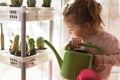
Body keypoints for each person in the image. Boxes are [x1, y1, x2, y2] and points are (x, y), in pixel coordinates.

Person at [62, 0, 120, 80]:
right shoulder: (78, 36)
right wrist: (70, 46)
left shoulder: (107, 40)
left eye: (71, 29)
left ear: (86, 26)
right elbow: (63, 54)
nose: (69, 32)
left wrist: (104, 60)